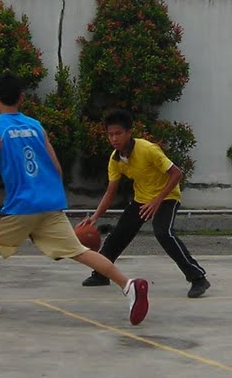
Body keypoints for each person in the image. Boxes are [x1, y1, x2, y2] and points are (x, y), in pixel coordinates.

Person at [0, 74, 149, 326]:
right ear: (21, 98)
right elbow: (55, 166)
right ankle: (128, 285)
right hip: (50, 201)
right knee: (79, 251)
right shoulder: (36, 126)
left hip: (22, 204)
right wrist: (52, 194)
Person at [77, 109, 210, 299]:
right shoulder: (115, 159)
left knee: (164, 233)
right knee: (119, 234)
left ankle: (198, 277)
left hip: (167, 197)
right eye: (110, 134)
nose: (114, 138)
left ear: (129, 132)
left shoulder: (148, 149)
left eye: (118, 133)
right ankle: (101, 274)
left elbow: (176, 173)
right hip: (142, 200)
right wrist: (95, 217)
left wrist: (157, 200)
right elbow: (110, 191)